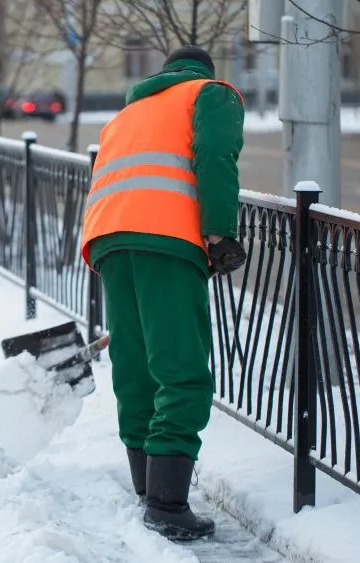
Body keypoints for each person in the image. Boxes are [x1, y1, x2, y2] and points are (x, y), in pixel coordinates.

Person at [79, 45, 247, 541]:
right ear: (203, 72)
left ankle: (145, 484)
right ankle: (167, 504)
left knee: (134, 363)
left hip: (109, 237)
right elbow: (216, 157)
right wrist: (220, 232)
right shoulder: (211, 95)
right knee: (181, 367)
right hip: (166, 240)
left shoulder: (129, 112)